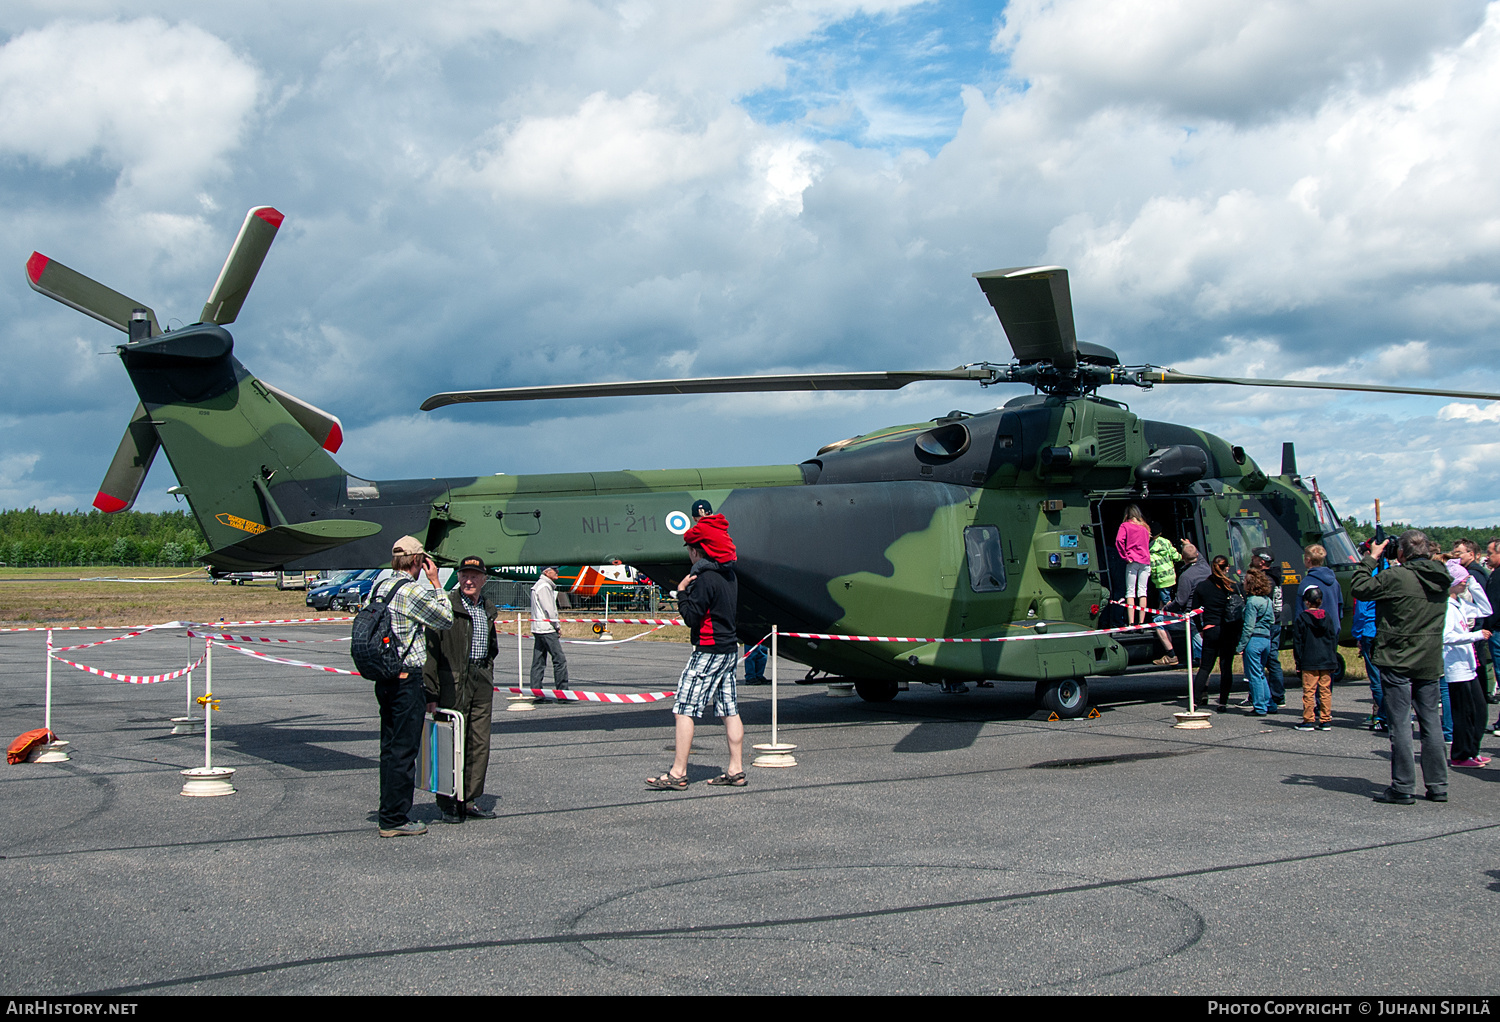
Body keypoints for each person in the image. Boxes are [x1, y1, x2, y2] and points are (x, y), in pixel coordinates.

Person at [1352, 531, 1451, 805]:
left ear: (1402, 553)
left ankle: (1403, 785)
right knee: (1431, 722)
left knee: (1401, 724)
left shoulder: (1397, 577)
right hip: (1429, 656)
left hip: (1398, 656)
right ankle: (1438, 784)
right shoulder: (1441, 576)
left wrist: (1371, 558)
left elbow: (1359, 587)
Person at [647, 521, 745, 791]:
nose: (689, 554)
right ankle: (735, 769)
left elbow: (692, 617)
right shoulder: (729, 575)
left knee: (684, 709)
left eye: (690, 549)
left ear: (698, 551)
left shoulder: (703, 579)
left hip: (708, 650)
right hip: (728, 650)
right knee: (730, 709)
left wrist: (681, 592)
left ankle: (678, 773)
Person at [372, 536, 455, 838]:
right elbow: (445, 619)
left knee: (389, 748)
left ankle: (387, 810)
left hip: (384, 675)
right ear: (419, 561)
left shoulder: (379, 587)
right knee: (405, 750)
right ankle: (395, 818)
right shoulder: (412, 591)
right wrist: (436, 584)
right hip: (407, 678)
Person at [423, 555, 499, 824]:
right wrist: (430, 690)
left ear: (483, 579)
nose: (469, 580)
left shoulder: (487, 608)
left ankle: (468, 799)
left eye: (475, 576)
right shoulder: (447, 606)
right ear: (459, 577)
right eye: (465, 575)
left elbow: (492, 646)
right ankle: (446, 802)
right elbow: (430, 650)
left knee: (479, 741)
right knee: (449, 740)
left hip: (481, 678)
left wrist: (487, 670)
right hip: (452, 680)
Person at [1442, 560, 1492, 769]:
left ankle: (1473, 750)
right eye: (1461, 581)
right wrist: (1474, 636)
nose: (1464, 584)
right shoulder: (1445, 606)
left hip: (1468, 666)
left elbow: (1486, 609)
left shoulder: (1460, 604)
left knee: (1479, 711)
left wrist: (1474, 585)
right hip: (1455, 667)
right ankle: (1461, 754)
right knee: (1464, 713)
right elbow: (1446, 636)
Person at [1191, 555, 1243, 711]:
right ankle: (1223, 702)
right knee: (1226, 667)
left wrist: (1200, 628)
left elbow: (1194, 611)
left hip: (1210, 629)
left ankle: (1195, 700)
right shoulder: (1232, 586)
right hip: (1228, 630)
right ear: (1226, 568)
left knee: (1205, 667)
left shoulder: (1202, 586)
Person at [1292, 587, 1338, 731]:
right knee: (1325, 691)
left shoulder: (1302, 618)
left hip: (1309, 659)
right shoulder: (1327, 617)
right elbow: (1332, 638)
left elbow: (1298, 641)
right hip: (1326, 659)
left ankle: (1308, 719)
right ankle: (1325, 719)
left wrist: (1298, 660)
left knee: (1309, 691)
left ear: (1306, 602)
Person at [1352, 542, 1386, 732]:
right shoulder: (1391, 572)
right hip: (1387, 631)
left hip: (1370, 631)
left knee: (1376, 678)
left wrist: (1357, 634)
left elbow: (1361, 610)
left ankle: (1382, 715)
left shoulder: (1368, 577)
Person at [1235, 567, 1277, 715]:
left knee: (1254, 675)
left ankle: (1259, 706)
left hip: (1254, 640)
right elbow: (1272, 620)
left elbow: (1248, 627)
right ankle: (1269, 703)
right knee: (1261, 673)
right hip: (1266, 639)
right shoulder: (1267, 601)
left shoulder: (1252, 602)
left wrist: (1240, 645)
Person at [1250, 548, 1286, 710]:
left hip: (1268, 625)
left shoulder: (1267, 581)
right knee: (1271, 659)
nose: (1252, 558)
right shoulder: (1274, 577)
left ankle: (1276, 695)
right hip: (1275, 622)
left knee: (1269, 660)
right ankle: (1273, 695)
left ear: (1262, 561)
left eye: (1255, 557)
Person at [528, 566, 570, 701]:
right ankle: (562, 693)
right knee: (559, 660)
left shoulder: (539, 585)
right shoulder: (544, 586)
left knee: (538, 661)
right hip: (546, 628)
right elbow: (549, 609)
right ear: (547, 572)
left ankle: (537, 692)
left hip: (538, 627)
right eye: (555, 570)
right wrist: (556, 625)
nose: (557, 572)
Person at [1148, 523, 1182, 666]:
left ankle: (1164, 619)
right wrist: (1180, 557)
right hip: (1171, 577)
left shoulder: (1150, 548)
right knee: (1165, 598)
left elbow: (1152, 566)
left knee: (1166, 602)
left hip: (1160, 580)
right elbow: (1176, 556)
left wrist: (1153, 576)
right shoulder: (1167, 542)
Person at [1115, 505, 1150, 627]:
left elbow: (1119, 541)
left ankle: (1131, 622)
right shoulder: (1145, 527)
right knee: (1142, 592)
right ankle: (1142, 622)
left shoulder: (1125, 526)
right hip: (1145, 562)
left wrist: (1125, 556)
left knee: (1130, 592)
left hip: (1133, 561)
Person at [1298, 544, 1342, 637]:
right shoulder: (1334, 582)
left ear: (1308, 560)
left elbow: (1300, 611)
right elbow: (1340, 607)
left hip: (1313, 633)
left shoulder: (1306, 582)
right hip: (1332, 629)